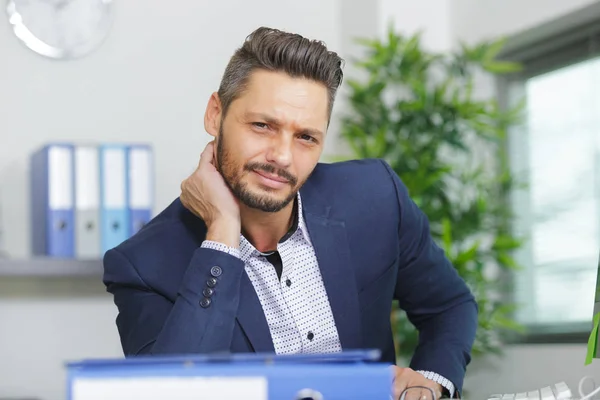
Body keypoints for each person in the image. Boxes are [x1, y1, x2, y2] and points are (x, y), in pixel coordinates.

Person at [103, 26, 478, 399]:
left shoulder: (376, 197)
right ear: (215, 114)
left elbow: (449, 305)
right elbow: (171, 394)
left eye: (305, 137)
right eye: (262, 126)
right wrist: (222, 232)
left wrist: (431, 384)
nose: (282, 157)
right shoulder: (143, 265)